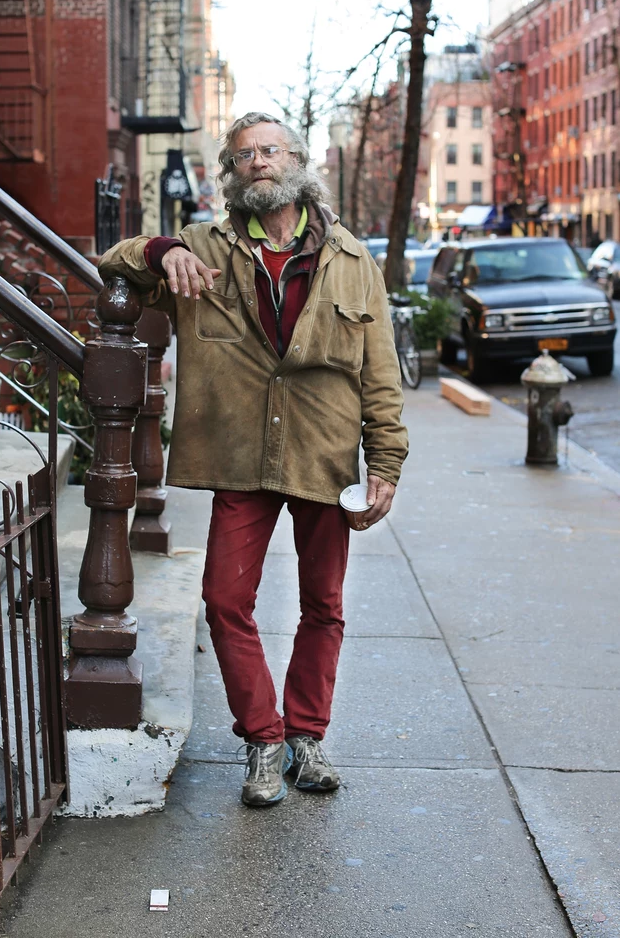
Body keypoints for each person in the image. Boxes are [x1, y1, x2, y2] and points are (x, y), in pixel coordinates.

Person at [99, 112, 409, 808]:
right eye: (243, 155)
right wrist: (159, 254)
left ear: (296, 160)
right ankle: (263, 740)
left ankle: (307, 736)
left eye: (270, 150)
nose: (258, 162)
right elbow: (111, 261)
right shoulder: (202, 245)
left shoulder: (353, 261)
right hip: (240, 453)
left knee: (323, 604)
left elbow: (381, 375)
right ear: (229, 173)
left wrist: (384, 461)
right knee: (224, 600)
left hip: (325, 454)